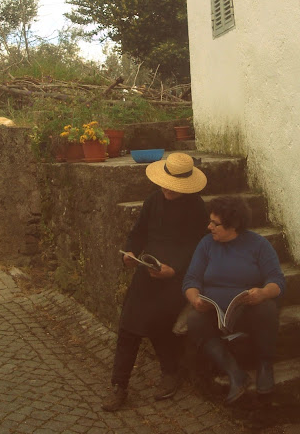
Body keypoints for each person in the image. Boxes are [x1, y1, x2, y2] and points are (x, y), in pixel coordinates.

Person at [102, 152, 208, 412]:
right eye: (165, 184)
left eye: (174, 187)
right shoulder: (152, 200)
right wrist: (130, 253)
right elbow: (138, 233)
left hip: (177, 276)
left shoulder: (197, 207)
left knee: (159, 322)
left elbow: (199, 247)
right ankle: (119, 385)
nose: (167, 190)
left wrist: (175, 270)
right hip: (148, 269)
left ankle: (170, 372)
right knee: (128, 323)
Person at [182, 195, 285, 404]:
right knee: (193, 319)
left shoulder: (258, 245)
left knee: (267, 309)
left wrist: (262, 293)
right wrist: (195, 300)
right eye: (210, 221)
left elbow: (277, 281)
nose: (209, 227)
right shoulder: (206, 244)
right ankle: (235, 373)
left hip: (246, 311)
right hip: (213, 312)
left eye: (215, 223)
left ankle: (265, 365)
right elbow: (191, 280)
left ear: (234, 225)